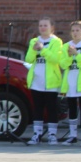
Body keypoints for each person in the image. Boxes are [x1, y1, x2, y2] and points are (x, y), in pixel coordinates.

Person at [24, 17, 63, 145]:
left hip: (51, 81)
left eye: (45, 25)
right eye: (40, 25)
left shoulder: (56, 41)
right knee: (37, 108)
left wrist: (43, 50)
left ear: (52, 27)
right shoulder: (34, 41)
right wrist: (34, 49)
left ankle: (52, 135)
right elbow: (29, 59)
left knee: (51, 108)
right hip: (36, 80)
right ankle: (37, 134)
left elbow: (56, 59)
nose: (43, 28)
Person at [59, 21, 81, 145]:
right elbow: (63, 64)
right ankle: (72, 135)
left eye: (78, 30)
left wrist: (76, 54)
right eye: (73, 31)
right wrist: (69, 56)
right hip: (70, 81)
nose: (75, 33)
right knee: (72, 109)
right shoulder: (66, 46)